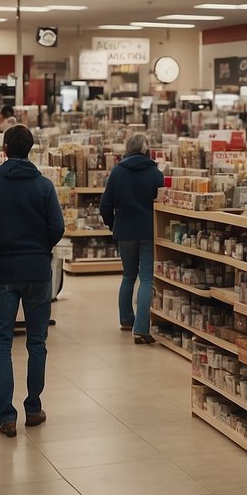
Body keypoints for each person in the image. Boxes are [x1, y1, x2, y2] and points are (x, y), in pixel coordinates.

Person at [0, 125, 65, 437]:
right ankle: (33, 408)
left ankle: (6, 417)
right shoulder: (44, 186)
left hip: (2, 272)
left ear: (6, 148)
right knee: (37, 342)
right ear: (31, 149)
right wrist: (41, 247)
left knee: (2, 344)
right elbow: (58, 227)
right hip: (37, 270)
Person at [100, 133, 165, 345]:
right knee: (146, 278)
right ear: (146, 150)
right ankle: (142, 328)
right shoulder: (155, 173)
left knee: (128, 276)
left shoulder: (118, 172)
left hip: (125, 231)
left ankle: (126, 319)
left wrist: (113, 224)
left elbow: (105, 205)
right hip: (148, 231)